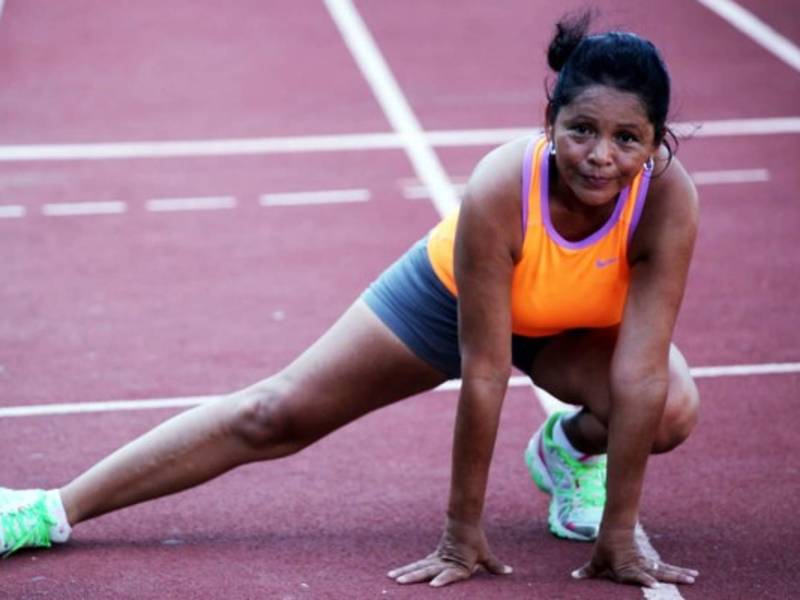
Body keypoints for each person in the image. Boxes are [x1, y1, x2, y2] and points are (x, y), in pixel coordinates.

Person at [1, 13, 700, 590]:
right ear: (550, 123)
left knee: (668, 404)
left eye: (626, 138)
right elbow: (484, 374)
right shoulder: (500, 186)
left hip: (568, 330)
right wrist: (462, 534)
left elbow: (637, 373)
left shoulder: (667, 202)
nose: (600, 155)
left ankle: (570, 454)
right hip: (449, 295)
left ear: (657, 145)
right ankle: (47, 509)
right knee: (276, 413)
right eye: (581, 128)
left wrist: (619, 534)